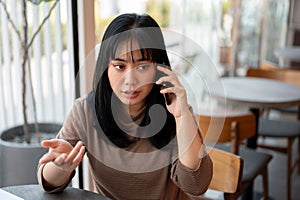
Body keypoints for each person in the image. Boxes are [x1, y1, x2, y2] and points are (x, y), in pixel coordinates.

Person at [37, 13, 212, 200]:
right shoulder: (84, 112)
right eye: (120, 66)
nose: (130, 81)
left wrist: (181, 117)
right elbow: (48, 184)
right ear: (106, 67)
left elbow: (196, 186)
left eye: (143, 67)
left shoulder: (176, 110)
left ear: (158, 68)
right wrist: (60, 167)